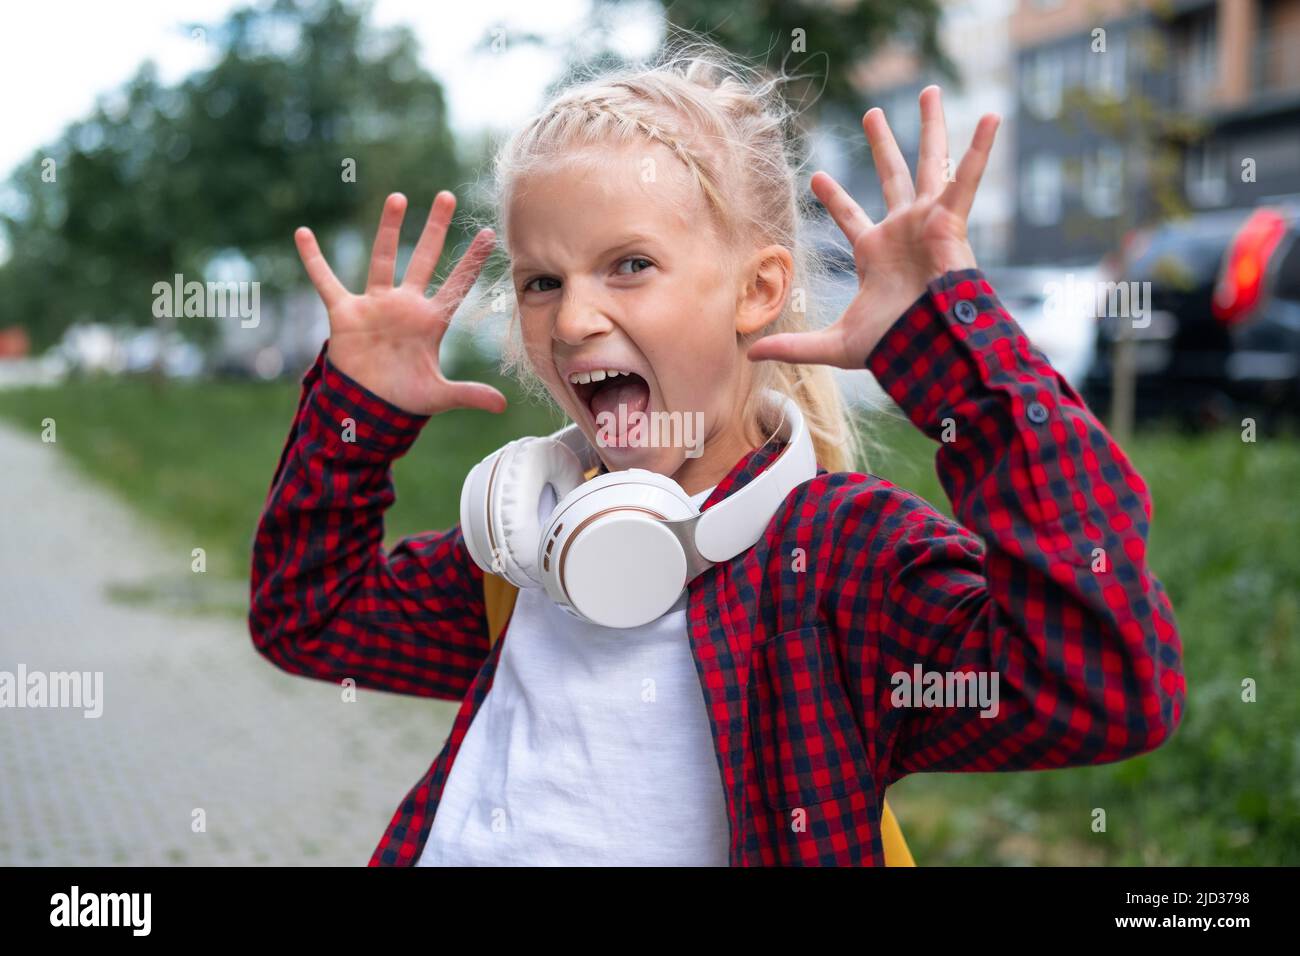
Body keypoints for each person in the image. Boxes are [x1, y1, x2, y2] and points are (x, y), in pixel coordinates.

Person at [248, 38, 1185, 866]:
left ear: (757, 289)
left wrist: (953, 359)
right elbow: (307, 620)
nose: (573, 319)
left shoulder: (839, 564)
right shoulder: (529, 549)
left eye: (630, 265)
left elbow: (1103, 684)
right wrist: (354, 414)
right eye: (541, 281)